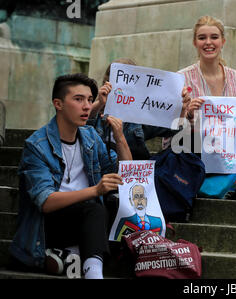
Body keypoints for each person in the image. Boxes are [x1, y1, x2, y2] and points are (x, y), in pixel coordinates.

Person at [9, 73, 133, 279]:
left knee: (115, 204)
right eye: (78, 99)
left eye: (90, 100)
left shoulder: (91, 137)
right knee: (94, 207)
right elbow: (45, 202)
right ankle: (92, 272)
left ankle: (71, 257)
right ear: (58, 104)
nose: (87, 106)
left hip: (88, 219)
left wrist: (120, 138)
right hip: (50, 224)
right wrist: (95, 190)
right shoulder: (37, 146)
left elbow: (126, 175)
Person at [178, 15, 236, 196]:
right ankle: (215, 186)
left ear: (223, 41)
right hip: (194, 150)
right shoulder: (181, 78)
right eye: (202, 38)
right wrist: (188, 115)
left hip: (227, 151)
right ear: (195, 42)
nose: (208, 42)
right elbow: (171, 131)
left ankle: (207, 188)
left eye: (214, 37)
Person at [88, 58, 191, 160]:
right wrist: (100, 103)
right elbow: (83, 120)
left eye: (130, 81)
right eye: (120, 80)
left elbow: (171, 128)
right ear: (108, 83)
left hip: (134, 173)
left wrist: (181, 109)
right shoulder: (97, 111)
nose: (125, 87)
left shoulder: (140, 115)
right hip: (100, 173)